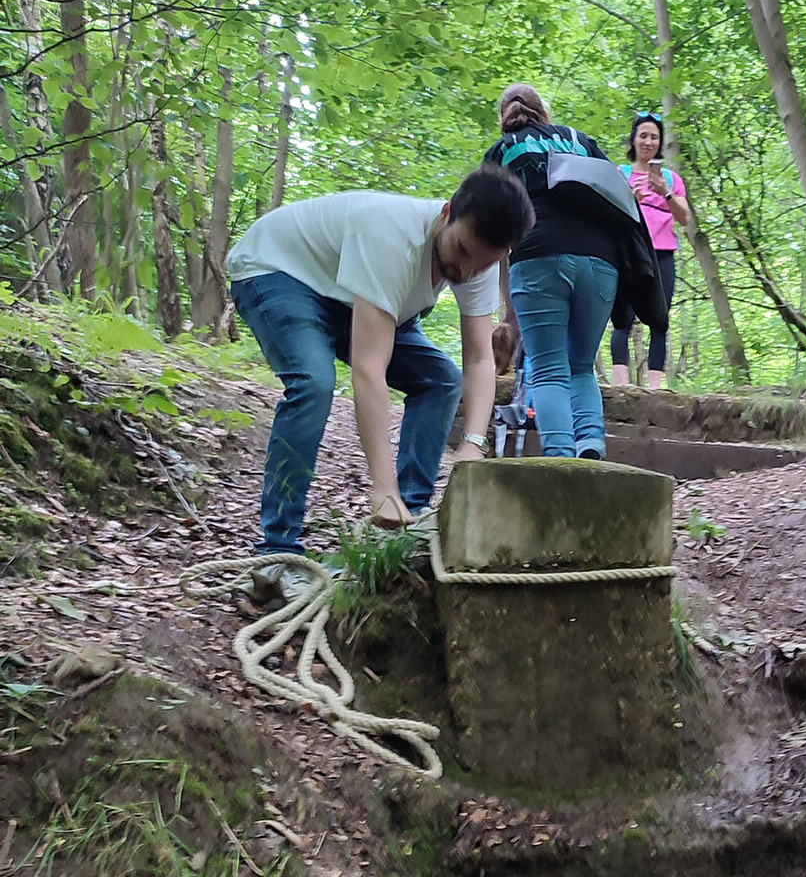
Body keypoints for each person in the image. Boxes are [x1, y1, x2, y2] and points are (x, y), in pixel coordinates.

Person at [226, 168, 535, 590]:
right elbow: (368, 368)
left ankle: (407, 528)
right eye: (461, 251)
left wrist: (472, 444)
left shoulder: (476, 263)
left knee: (440, 380)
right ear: (446, 214)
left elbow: (480, 360)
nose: (464, 271)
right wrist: (381, 486)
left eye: (482, 264)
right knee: (314, 383)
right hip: (279, 271)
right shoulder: (392, 236)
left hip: (351, 296)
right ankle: (277, 551)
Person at [482, 83, 623, 459]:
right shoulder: (580, 140)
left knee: (547, 369)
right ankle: (591, 443)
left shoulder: (501, 152)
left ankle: (560, 456)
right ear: (544, 112)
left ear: (504, 118)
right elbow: (616, 194)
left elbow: (491, 227)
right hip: (601, 262)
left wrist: (501, 299)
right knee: (581, 367)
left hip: (538, 256)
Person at [610, 111, 691, 389]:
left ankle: (655, 389)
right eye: (643, 135)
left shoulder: (671, 178)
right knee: (623, 318)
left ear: (660, 143)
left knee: (660, 319)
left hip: (663, 255)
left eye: (654, 137)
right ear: (633, 140)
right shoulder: (620, 173)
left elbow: (686, 218)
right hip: (630, 253)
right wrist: (632, 198)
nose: (648, 141)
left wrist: (665, 192)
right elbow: (609, 214)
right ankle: (621, 386)